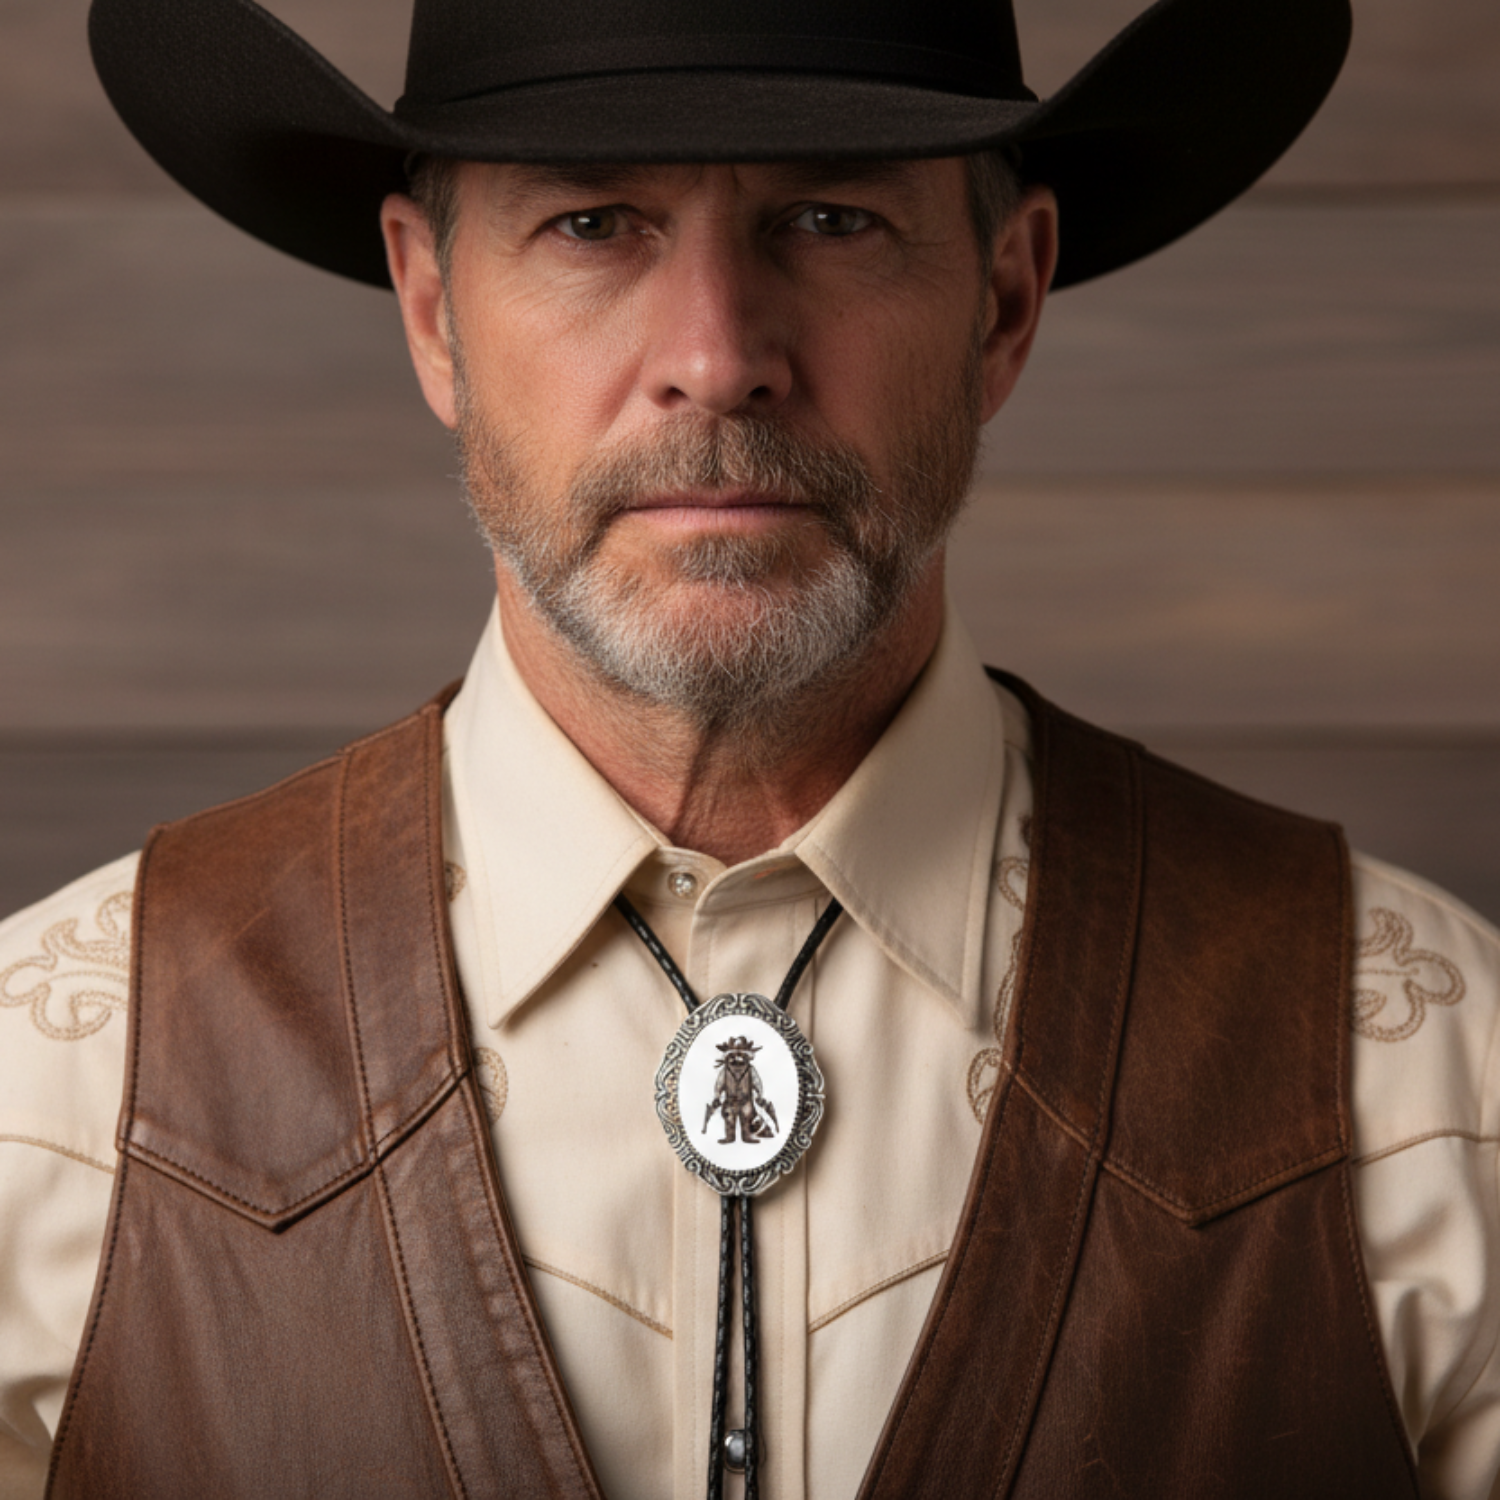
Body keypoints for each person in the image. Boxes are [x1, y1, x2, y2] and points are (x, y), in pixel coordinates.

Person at [2, 0, 1499, 1494]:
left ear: (1004, 301)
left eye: (833, 219)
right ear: (433, 310)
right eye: (594, 225)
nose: (718, 360)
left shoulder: (1438, 1092)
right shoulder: (48, 1105)